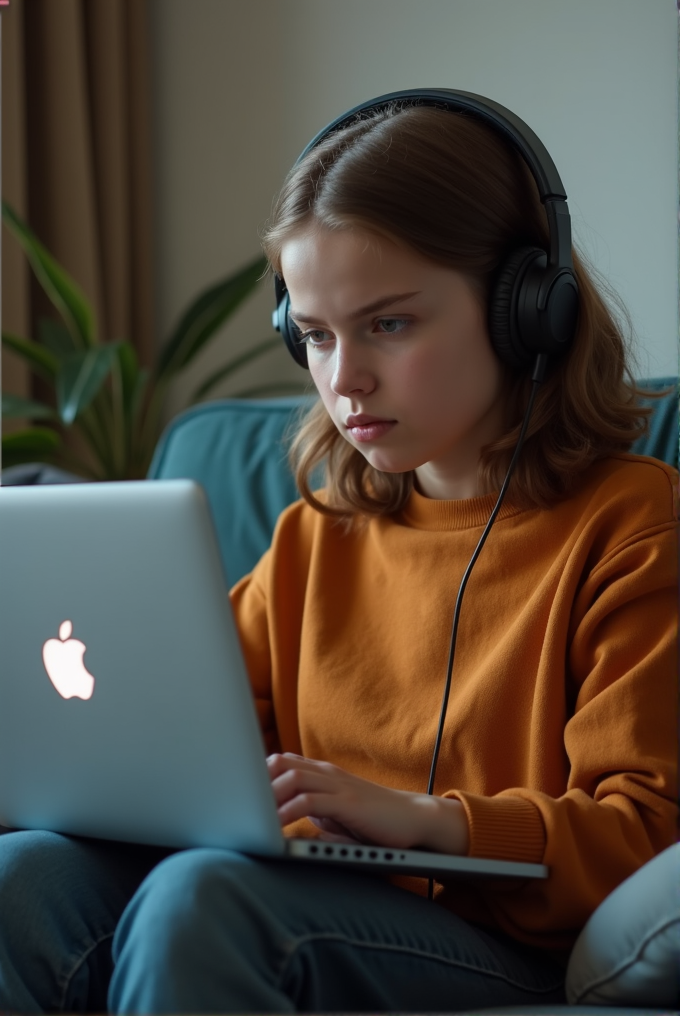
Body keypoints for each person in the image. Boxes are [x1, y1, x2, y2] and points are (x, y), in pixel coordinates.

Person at [0, 97, 676, 1015]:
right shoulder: (315, 535)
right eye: (315, 336)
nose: (344, 377)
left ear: (527, 309)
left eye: (388, 325)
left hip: (500, 938)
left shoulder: (635, 527)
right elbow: (195, 744)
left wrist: (431, 824)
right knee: (23, 877)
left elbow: (647, 832)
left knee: (205, 904)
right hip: (305, 895)